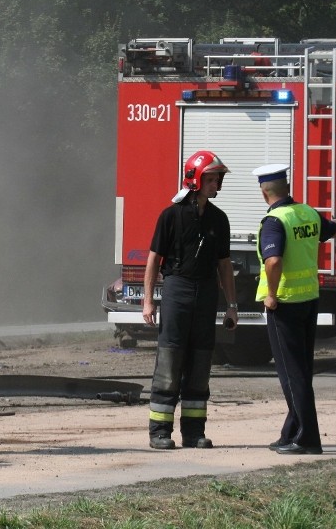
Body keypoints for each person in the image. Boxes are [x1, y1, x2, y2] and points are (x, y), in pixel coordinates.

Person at [142, 150, 238, 450]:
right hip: (177, 290)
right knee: (170, 362)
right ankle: (159, 431)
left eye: (218, 178)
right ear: (195, 179)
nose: (216, 184)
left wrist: (232, 305)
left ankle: (194, 431)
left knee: (200, 363)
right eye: (211, 178)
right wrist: (148, 301)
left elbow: (224, 264)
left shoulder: (219, 220)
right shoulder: (170, 216)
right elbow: (154, 259)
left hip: (206, 292)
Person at [253, 164, 336, 455]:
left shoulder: (274, 221)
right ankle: (291, 431)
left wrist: (272, 295)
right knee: (301, 370)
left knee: (292, 374)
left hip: (286, 303)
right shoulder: (307, 212)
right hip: (309, 301)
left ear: (264, 191)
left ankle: (307, 438)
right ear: (286, 187)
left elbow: (274, 261)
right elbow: (333, 229)